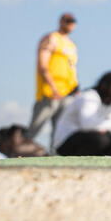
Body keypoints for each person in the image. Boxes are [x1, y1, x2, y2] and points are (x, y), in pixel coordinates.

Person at [53, 71, 111, 156]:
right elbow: (88, 124)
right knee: (101, 139)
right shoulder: (89, 96)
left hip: (88, 138)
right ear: (107, 85)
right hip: (66, 141)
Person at [26, 12, 79, 151]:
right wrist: (52, 86)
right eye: (67, 20)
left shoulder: (72, 45)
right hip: (50, 92)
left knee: (59, 131)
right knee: (36, 126)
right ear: (61, 21)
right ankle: (17, 152)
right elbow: (42, 64)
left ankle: (54, 159)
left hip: (67, 93)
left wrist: (76, 89)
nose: (70, 24)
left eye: (72, 21)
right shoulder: (51, 38)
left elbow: (72, 68)